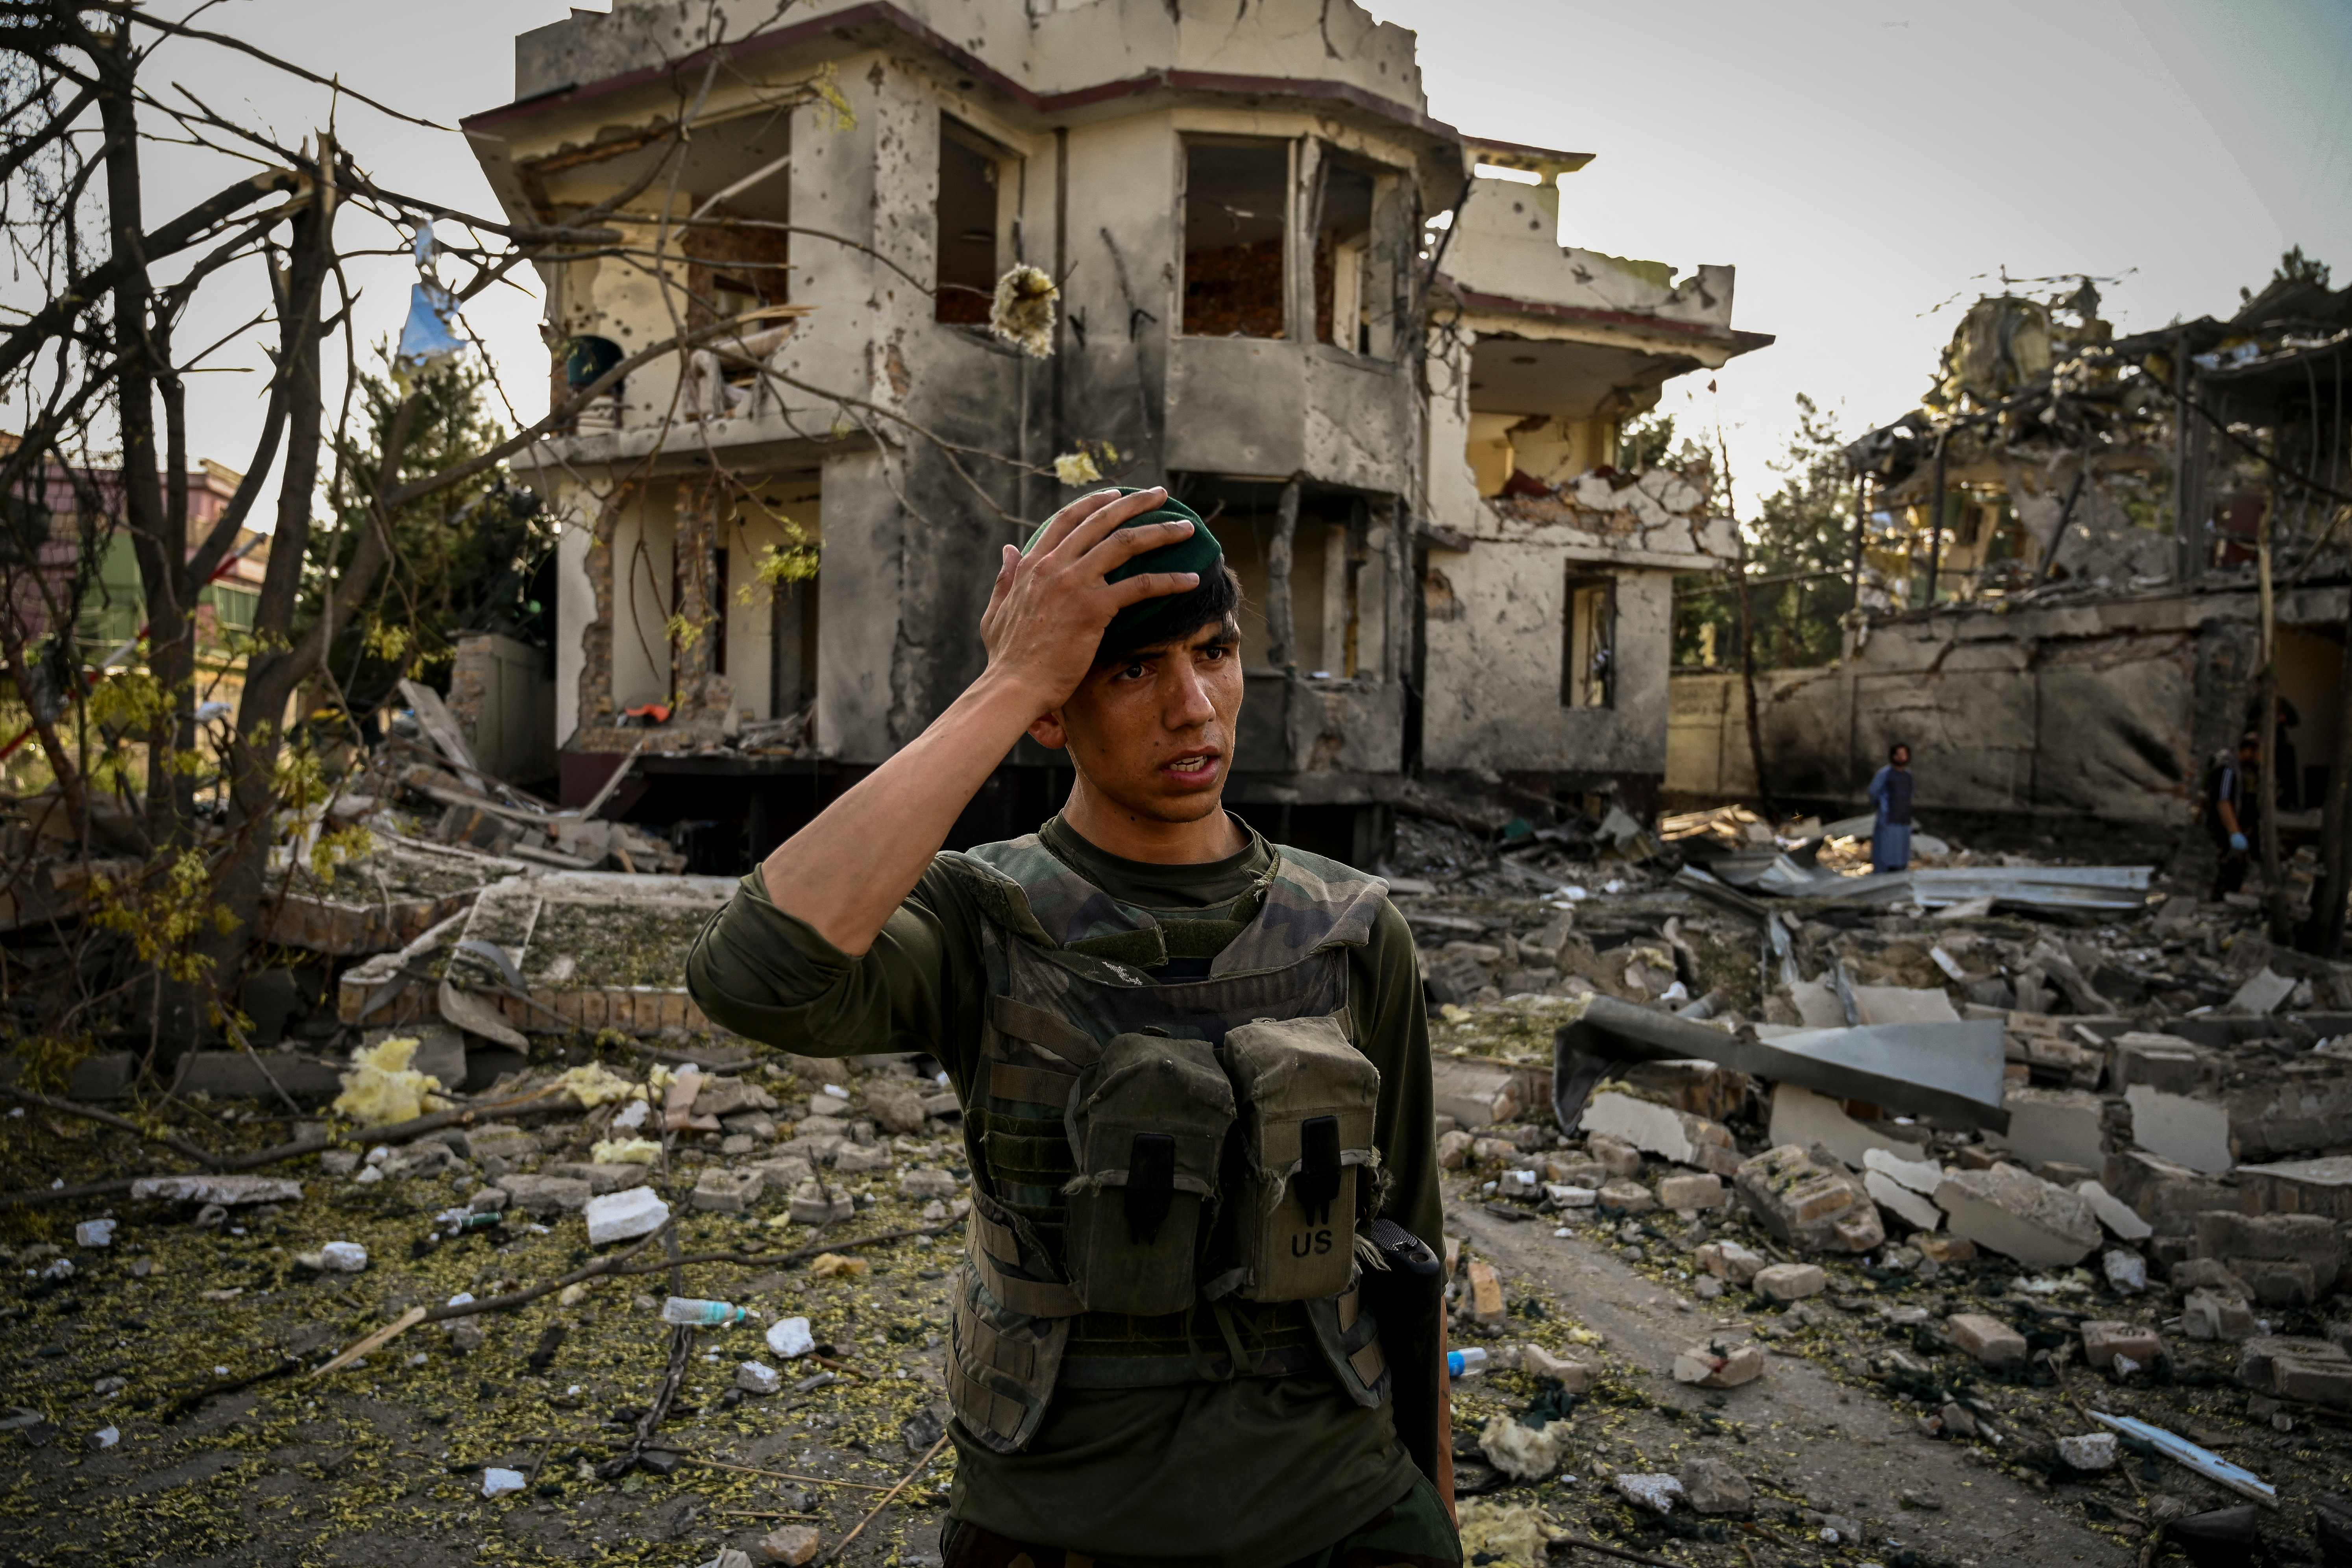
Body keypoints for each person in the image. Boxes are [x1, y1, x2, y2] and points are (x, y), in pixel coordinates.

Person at [688, 486, 1459, 1568]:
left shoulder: (1352, 928)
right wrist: (1007, 684)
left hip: (1339, 1514)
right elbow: (752, 973)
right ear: (1052, 709)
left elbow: (1412, 1255)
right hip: (1059, 1525)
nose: (1194, 707)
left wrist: (1436, 1515)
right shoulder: (980, 918)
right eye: (1132, 671)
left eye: (1215, 651)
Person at [2206, 730, 2261, 899]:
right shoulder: (2228, 768)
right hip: (2221, 835)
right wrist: (2235, 833)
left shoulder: (2245, 770)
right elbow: (2223, 802)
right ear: (2249, 750)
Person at [1868, 742, 1915, 873]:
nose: (1903, 757)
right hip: (1888, 820)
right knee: (1885, 852)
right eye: (1900, 754)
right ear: (1894, 757)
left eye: (1905, 754)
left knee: (1901, 853)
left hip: (1903, 819)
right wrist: (1883, 807)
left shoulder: (1908, 776)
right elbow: (1874, 792)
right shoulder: (1885, 774)